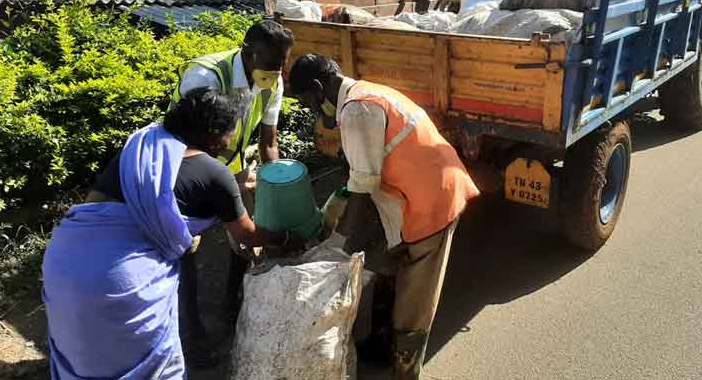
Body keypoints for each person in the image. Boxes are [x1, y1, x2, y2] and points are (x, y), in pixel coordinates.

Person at [42, 88, 300, 380]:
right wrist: (285, 237)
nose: (231, 141)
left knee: (86, 357)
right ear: (214, 134)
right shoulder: (215, 174)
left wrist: (230, 190)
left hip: (63, 262)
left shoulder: (142, 145)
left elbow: (108, 202)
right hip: (120, 281)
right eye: (230, 132)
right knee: (148, 369)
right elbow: (248, 236)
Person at [288, 54, 481, 380]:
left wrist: (337, 245)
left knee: (414, 301)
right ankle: (380, 342)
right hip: (412, 193)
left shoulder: (358, 109)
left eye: (307, 101)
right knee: (384, 263)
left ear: (319, 89)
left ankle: (405, 370)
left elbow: (362, 189)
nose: (309, 109)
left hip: (432, 201)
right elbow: (356, 174)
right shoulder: (363, 94)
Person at [172, 19, 295, 351]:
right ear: (248, 54)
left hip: (231, 170)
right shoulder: (206, 76)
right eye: (270, 65)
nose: (276, 73)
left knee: (240, 241)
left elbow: (268, 140)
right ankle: (192, 334)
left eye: (281, 66)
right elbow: (193, 141)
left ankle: (231, 305)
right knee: (183, 246)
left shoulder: (272, 83)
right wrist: (227, 181)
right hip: (186, 167)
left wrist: (275, 183)